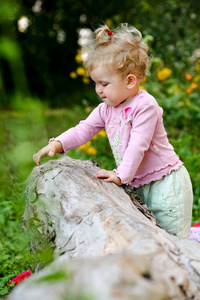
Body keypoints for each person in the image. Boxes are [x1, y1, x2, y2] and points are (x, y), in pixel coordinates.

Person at [33, 23, 193, 238]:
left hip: (165, 186)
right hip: (138, 182)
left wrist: (121, 175)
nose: (99, 89)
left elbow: (139, 145)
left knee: (173, 237)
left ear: (130, 81)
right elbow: (84, 129)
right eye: (96, 83)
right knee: (150, 236)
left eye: (104, 83)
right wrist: (57, 143)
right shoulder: (106, 109)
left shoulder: (145, 106)